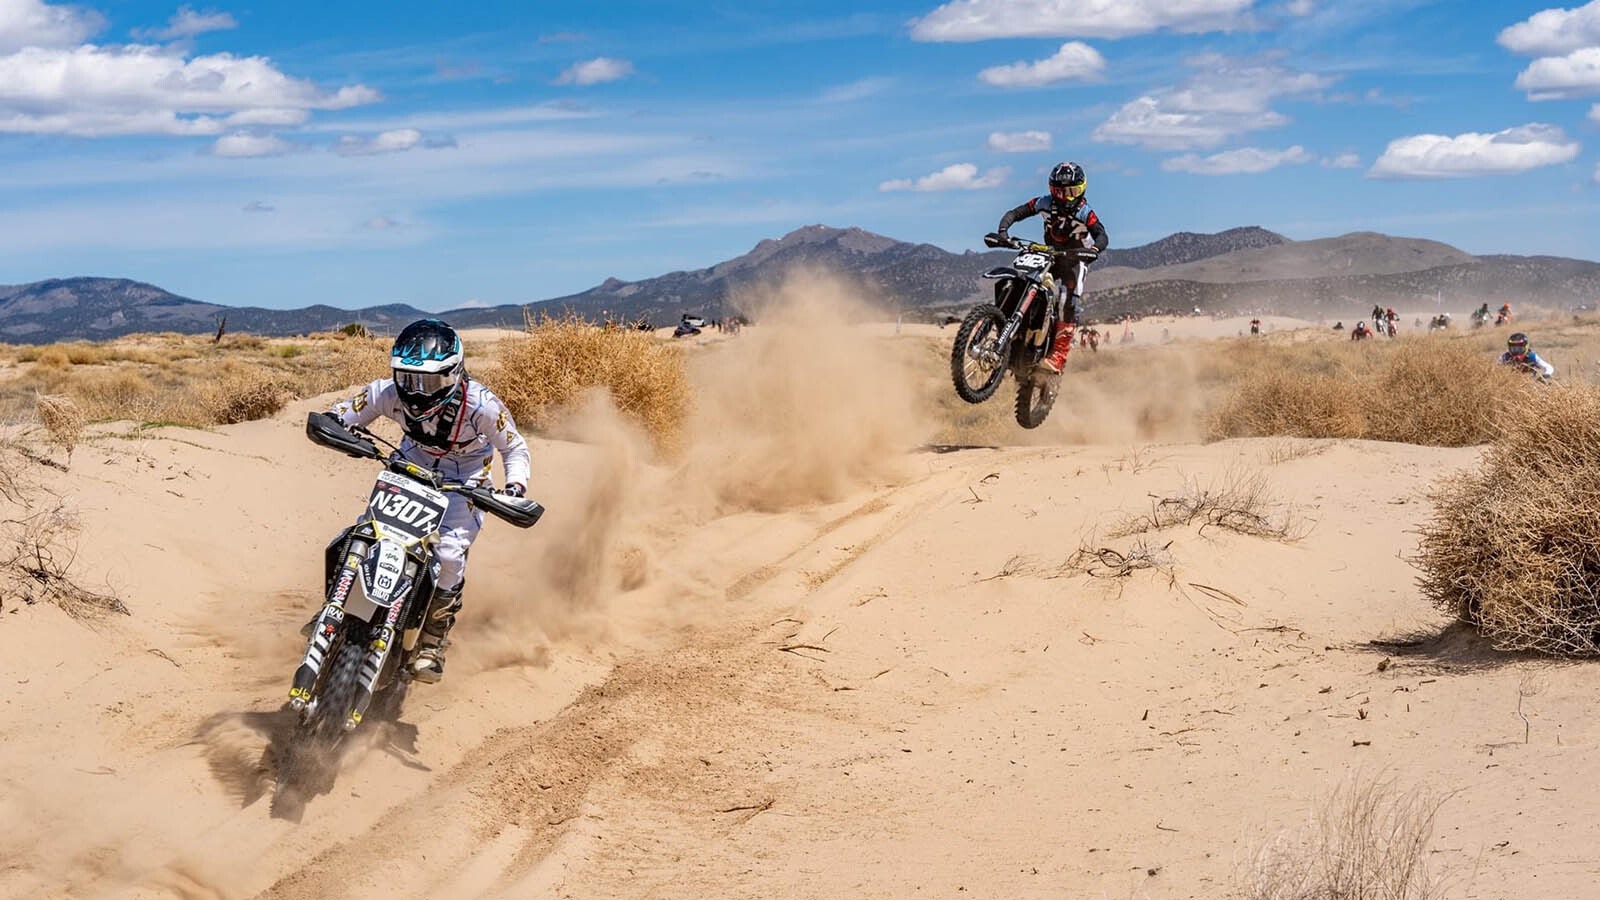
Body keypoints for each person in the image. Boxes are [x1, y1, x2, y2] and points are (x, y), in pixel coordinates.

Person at [321, 319, 531, 683]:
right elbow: (343, 413)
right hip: (407, 469)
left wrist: (513, 489)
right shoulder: (385, 392)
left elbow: (514, 447)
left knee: (448, 555)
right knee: (365, 533)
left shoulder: (482, 406)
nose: (416, 391)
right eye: (407, 378)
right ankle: (334, 608)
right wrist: (333, 425)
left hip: (464, 483)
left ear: (453, 374)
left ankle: (433, 641)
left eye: (429, 382)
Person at [994, 160, 1110, 374]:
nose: (1065, 197)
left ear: (1081, 189)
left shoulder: (1085, 212)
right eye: (1059, 191)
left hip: (1076, 259)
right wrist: (1003, 231)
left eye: (1071, 191)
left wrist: (1093, 250)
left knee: (1067, 298)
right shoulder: (1044, 203)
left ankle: (1059, 354)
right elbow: (1016, 213)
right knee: (1019, 281)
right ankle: (1012, 335)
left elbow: (1102, 235)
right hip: (1050, 255)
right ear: (1051, 190)